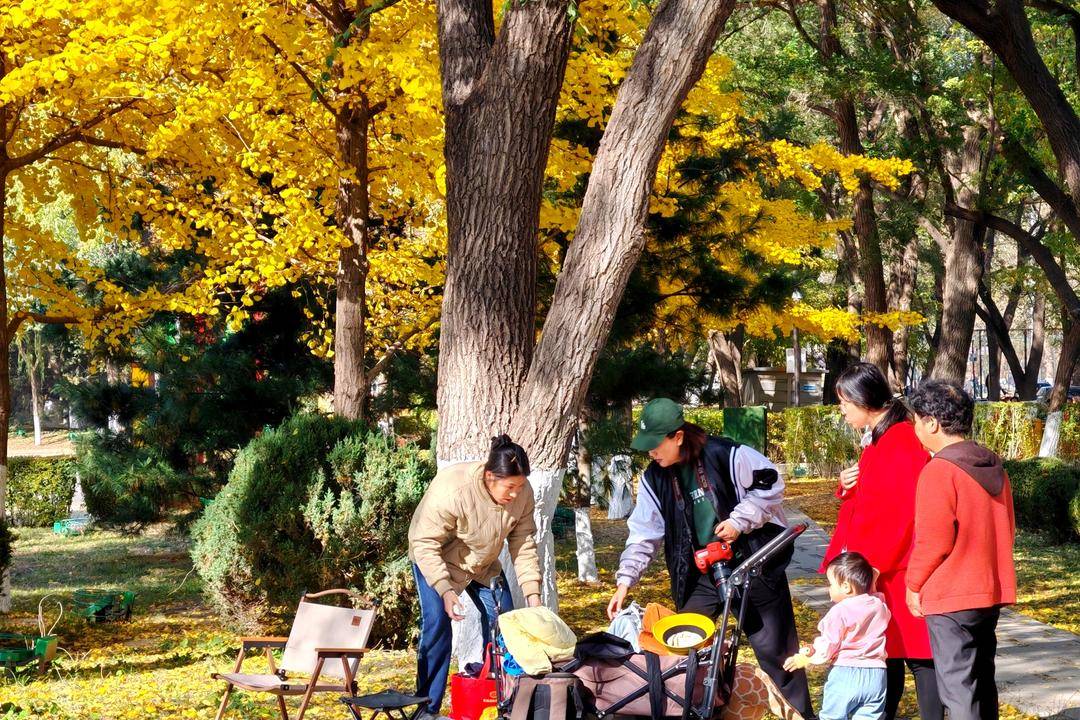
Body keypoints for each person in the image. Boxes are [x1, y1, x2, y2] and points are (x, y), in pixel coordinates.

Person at [607, 398, 814, 718]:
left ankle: (800, 714)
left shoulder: (729, 455)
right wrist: (625, 580)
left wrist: (738, 521)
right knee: (682, 646)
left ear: (677, 436)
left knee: (777, 653)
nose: (651, 452)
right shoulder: (654, 478)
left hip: (752, 564)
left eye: (655, 444)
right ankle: (694, 709)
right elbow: (644, 532)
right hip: (699, 573)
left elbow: (771, 485)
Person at [822, 363, 944, 719]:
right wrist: (847, 486)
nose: (841, 409)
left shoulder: (900, 439)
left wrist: (873, 566)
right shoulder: (879, 437)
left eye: (844, 401)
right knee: (887, 654)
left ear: (864, 400)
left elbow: (902, 512)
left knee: (918, 657)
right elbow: (874, 497)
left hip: (894, 569)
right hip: (880, 568)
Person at [408, 435, 543, 720]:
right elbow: (425, 543)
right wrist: (445, 591)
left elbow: (523, 542)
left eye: (520, 486)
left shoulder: (522, 492)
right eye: (510, 487)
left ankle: (500, 701)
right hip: (436, 560)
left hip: (482, 563)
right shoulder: (454, 488)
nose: (516, 494)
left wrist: (533, 595)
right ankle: (427, 709)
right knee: (437, 623)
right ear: (490, 476)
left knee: (504, 621)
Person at [905, 380, 1016, 720]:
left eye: (916, 420)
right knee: (982, 684)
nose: (915, 428)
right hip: (988, 591)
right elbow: (1009, 528)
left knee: (958, 691)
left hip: (951, 595)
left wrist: (913, 585)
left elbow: (933, 541)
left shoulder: (939, 471)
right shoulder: (994, 466)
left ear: (932, 423)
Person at [784, 552, 891, 720]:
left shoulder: (840, 611)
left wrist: (806, 658)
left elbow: (828, 644)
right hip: (877, 675)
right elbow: (877, 596)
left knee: (832, 716)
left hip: (846, 673)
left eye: (831, 583)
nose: (829, 588)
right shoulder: (879, 606)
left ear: (846, 587)